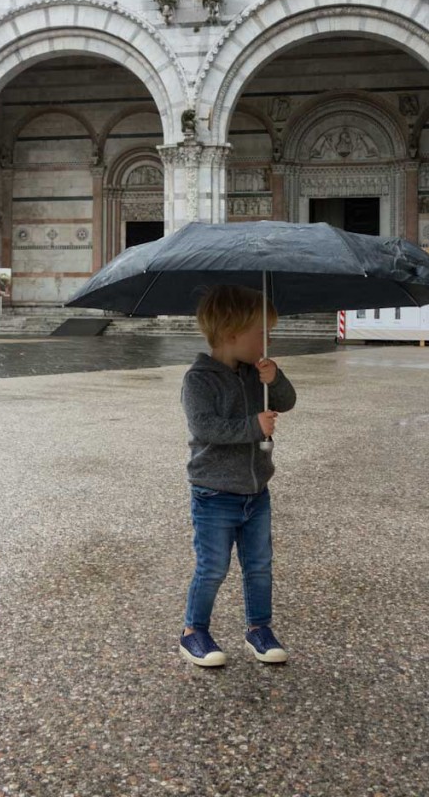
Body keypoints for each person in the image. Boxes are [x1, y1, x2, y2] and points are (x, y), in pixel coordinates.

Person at [179, 285, 297, 668]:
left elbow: (287, 401)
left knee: (260, 565)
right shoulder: (199, 379)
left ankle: (258, 628)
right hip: (214, 493)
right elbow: (205, 427)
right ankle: (194, 631)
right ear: (231, 335)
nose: (268, 340)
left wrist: (274, 378)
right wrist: (253, 426)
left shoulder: (254, 373)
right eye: (261, 333)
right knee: (213, 566)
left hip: (256, 490)